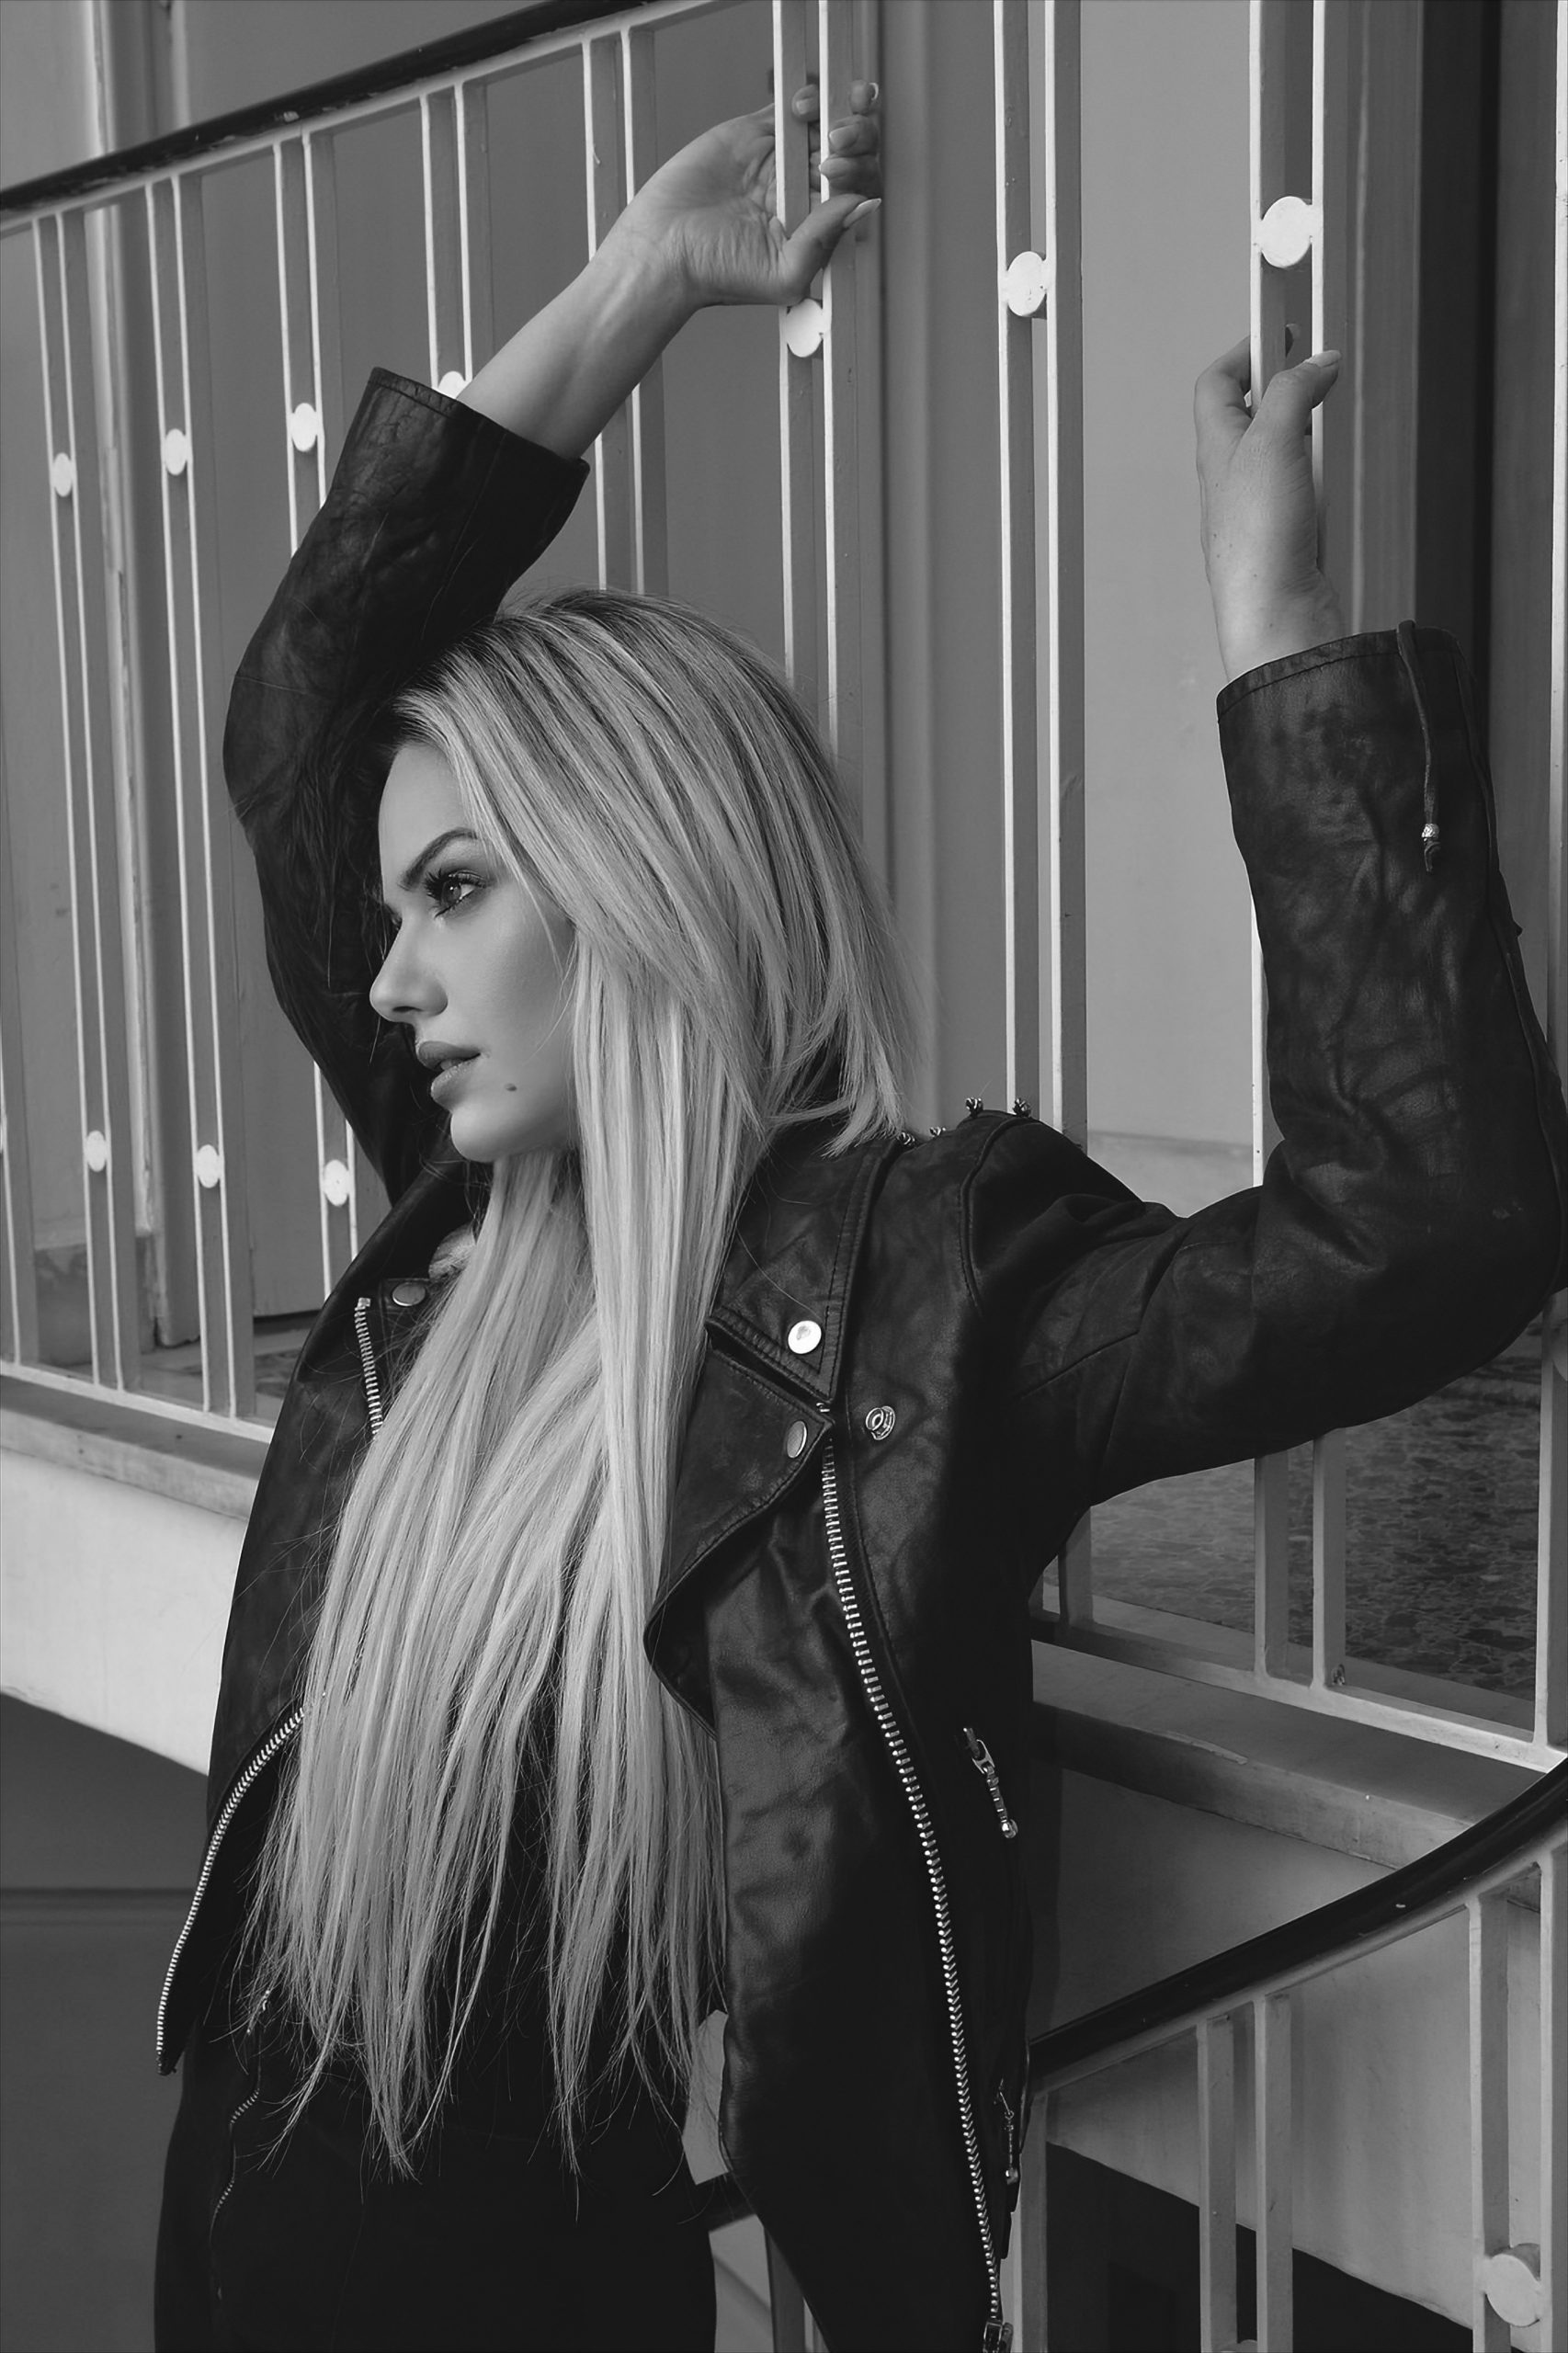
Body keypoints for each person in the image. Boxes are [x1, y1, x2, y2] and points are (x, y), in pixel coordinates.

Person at [153, 82, 1566, 2353]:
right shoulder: (461, 1230)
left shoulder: (912, 1294)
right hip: (230, 2269)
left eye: (455, 891)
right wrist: (634, 287)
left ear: (638, 886)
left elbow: (1426, 1221)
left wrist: (1275, 629)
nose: (387, 974)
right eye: (395, 902)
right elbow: (311, 697)